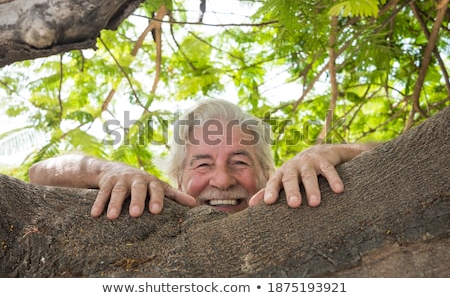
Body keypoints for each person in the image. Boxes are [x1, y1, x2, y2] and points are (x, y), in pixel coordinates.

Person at [29, 98, 377, 219]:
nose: (222, 180)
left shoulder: (300, 198)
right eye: (203, 164)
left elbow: (415, 151)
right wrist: (109, 171)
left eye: (240, 161)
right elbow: (39, 174)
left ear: (267, 172)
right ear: (176, 177)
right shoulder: (149, 203)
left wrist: (329, 152)